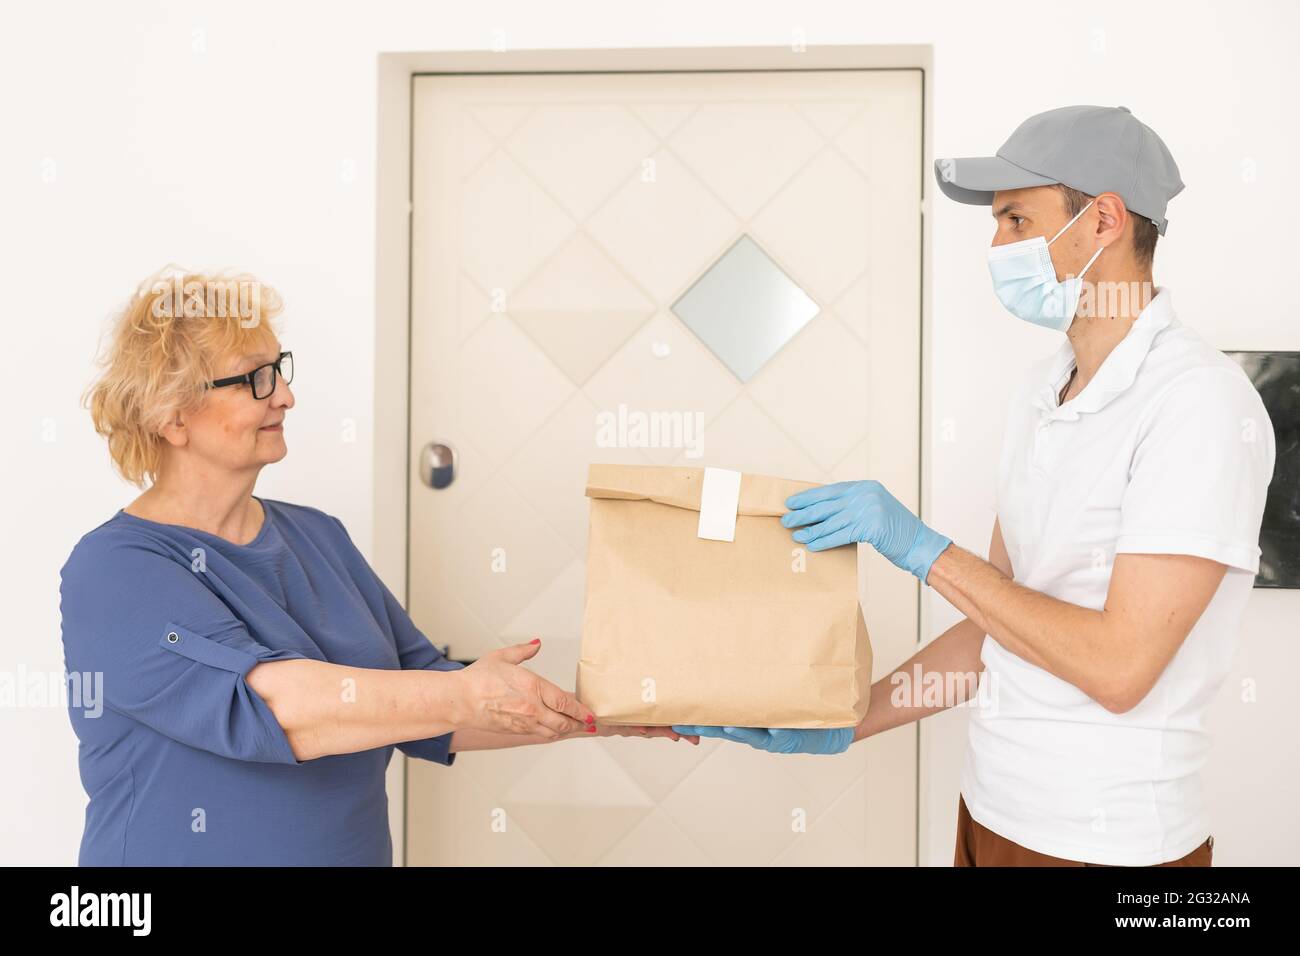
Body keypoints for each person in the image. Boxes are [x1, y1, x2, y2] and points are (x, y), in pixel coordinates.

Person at [677, 105, 1276, 868]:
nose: (999, 247)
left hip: (1108, 844)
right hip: (990, 813)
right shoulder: (1042, 390)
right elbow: (1003, 622)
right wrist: (850, 721)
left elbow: (1119, 669)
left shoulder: (1199, 402)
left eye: (1017, 219)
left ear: (1104, 220)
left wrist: (924, 550)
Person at [61, 269, 690, 866]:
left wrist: (610, 712)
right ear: (171, 416)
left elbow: (426, 705)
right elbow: (275, 709)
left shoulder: (317, 535)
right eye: (254, 379)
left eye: (279, 369)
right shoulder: (115, 569)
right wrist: (459, 691)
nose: (285, 395)